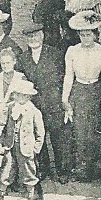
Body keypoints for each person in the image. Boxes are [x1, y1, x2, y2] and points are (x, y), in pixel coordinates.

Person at [62, 10, 101, 181]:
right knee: (79, 131)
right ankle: (81, 168)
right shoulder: (72, 51)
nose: (85, 38)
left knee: (94, 131)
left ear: (95, 34)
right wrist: (65, 99)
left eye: (88, 34)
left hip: (95, 91)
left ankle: (94, 168)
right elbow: (69, 76)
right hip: (78, 91)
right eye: (82, 34)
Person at [18, 23, 70, 181]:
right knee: (38, 136)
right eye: (29, 37)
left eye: (35, 35)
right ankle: (43, 169)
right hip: (34, 105)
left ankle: (62, 171)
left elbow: (64, 78)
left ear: (42, 36)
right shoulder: (23, 58)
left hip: (53, 104)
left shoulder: (55, 54)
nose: (33, 39)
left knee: (58, 139)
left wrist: (63, 102)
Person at [0, 80, 45, 200]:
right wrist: (2, 143)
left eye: (22, 95)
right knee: (6, 170)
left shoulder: (34, 111)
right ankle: (1, 198)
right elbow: (3, 127)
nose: (18, 97)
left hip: (26, 148)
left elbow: (40, 132)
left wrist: (36, 149)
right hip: (11, 145)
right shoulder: (10, 108)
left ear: (28, 96)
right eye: (16, 94)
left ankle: (30, 199)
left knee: (28, 172)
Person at [0, 48, 27, 125]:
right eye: (3, 63)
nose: (5, 66)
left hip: (15, 112)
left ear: (14, 62)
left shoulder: (20, 77)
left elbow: (24, 99)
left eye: (8, 63)